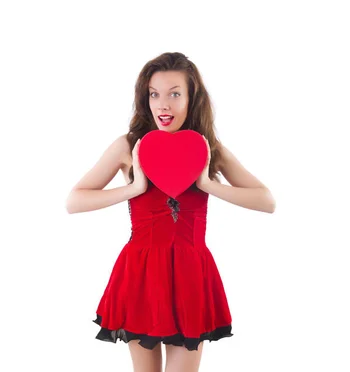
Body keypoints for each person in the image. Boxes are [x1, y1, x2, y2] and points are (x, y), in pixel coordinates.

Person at [66, 52, 276, 372]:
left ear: (192, 98)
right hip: (141, 271)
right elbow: (74, 201)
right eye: (154, 94)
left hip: (191, 271)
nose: (163, 105)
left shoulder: (208, 147)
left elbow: (266, 201)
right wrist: (134, 188)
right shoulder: (129, 145)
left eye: (174, 94)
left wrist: (206, 183)